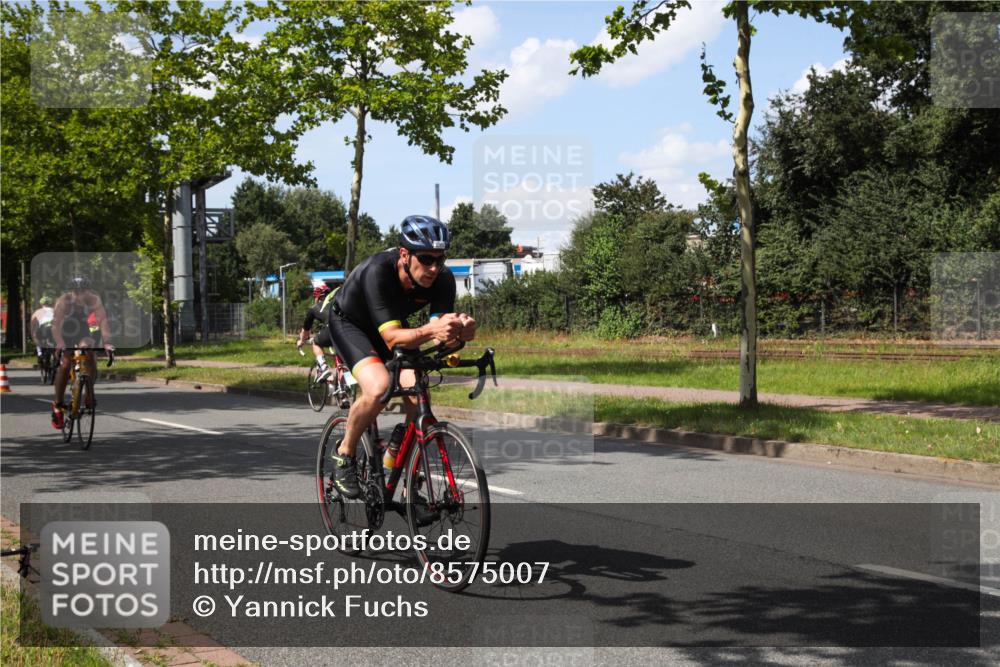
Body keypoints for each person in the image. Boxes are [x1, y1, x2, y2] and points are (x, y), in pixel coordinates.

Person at [326, 215, 476, 498]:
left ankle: (405, 478)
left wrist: (460, 332)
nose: (434, 267)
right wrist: (433, 329)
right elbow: (393, 338)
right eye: (426, 258)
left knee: (419, 394)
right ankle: (344, 452)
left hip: (393, 328)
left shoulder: (442, 279)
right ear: (405, 254)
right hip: (351, 325)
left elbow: (439, 331)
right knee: (379, 386)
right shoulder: (377, 271)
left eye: (440, 259)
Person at [50, 276, 114, 429]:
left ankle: (89, 393)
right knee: (65, 364)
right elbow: (55, 325)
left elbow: (103, 321)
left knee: (89, 352)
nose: (80, 294)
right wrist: (59, 343)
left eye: (83, 290)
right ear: (71, 291)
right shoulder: (63, 301)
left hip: (83, 329)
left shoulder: (94, 300)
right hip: (65, 329)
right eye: (76, 291)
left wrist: (107, 343)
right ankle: (58, 404)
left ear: (88, 290)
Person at [296, 283, 338, 381]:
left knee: (316, 342)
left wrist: (301, 341)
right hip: (349, 329)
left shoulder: (314, 308)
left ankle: (324, 368)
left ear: (317, 297)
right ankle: (343, 385)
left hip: (333, 328)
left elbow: (306, 329)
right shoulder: (337, 302)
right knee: (341, 359)